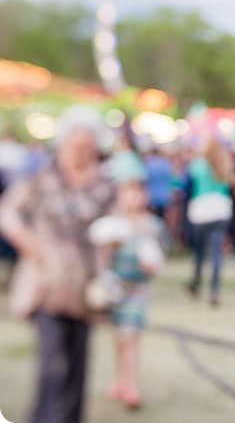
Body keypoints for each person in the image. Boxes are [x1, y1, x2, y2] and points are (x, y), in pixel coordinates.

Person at [0, 106, 115, 423]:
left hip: (86, 288)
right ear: (64, 142)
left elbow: (117, 224)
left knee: (79, 361)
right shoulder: (41, 176)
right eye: (76, 145)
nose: (82, 152)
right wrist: (32, 246)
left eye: (88, 146)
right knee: (52, 362)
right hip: (46, 285)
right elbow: (7, 213)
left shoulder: (104, 184)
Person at [91, 150, 165, 410]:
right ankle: (120, 380)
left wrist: (152, 265)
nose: (135, 197)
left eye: (139, 192)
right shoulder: (112, 224)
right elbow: (100, 257)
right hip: (115, 289)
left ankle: (131, 386)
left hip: (138, 290)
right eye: (128, 192)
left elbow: (158, 261)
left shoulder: (152, 226)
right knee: (120, 337)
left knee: (130, 335)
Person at [186, 138, 234, 306]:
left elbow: (190, 187)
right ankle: (214, 290)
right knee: (216, 254)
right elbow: (229, 188)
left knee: (199, 252)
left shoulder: (197, 164)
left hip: (201, 211)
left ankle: (196, 283)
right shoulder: (224, 164)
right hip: (220, 210)